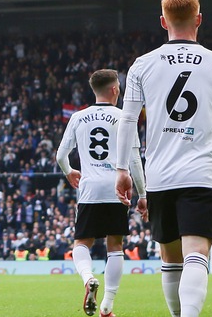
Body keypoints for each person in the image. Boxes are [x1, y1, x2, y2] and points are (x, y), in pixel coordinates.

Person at [115, 0, 212, 317]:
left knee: (171, 259)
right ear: (199, 19)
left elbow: (127, 120)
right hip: (200, 174)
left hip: (159, 176)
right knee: (197, 254)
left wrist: (122, 170)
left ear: (163, 21)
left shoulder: (142, 65)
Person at [56, 69, 148, 317]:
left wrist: (69, 172)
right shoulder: (124, 117)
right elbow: (134, 159)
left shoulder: (78, 117)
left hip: (90, 189)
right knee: (115, 245)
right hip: (117, 187)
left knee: (81, 243)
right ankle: (107, 306)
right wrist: (143, 195)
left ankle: (88, 278)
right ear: (115, 89)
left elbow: (61, 155)